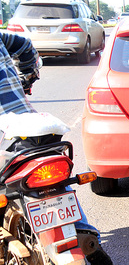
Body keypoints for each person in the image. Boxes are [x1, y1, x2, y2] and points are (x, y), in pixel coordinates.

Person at [0, 32, 113, 265]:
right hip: (29, 128)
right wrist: (27, 77)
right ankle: (85, 233)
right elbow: (25, 47)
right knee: (53, 182)